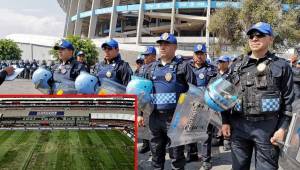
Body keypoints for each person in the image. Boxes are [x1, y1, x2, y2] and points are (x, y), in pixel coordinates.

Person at [221, 22, 294, 170]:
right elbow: (225, 95)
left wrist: (282, 129)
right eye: (251, 35)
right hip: (239, 126)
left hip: (268, 129)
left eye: (260, 35)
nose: (254, 39)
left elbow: (289, 101)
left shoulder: (281, 66)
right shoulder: (236, 65)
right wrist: (225, 121)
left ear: (270, 39)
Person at [138, 33, 196, 169]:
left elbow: (193, 93)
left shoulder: (183, 66)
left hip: (175, 118)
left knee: (176, 157)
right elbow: (143, 93)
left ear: (174, 47)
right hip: (154, 118)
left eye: (166, 44)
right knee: (156, 156)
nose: (162, 47)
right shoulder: (151, 68)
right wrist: (140, 114)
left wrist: (188, 116)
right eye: (160, 44)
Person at [186, 44, 217, 169]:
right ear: (193, 55)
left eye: (201, 54)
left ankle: (206, 160)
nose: (199, 56)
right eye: (197, 54)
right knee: (189, 131)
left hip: (205, 106)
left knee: (206, 134)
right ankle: (192, 154)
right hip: (189, 105)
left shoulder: (212, 69)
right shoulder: (187, 67)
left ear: (205, 55)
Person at [137, 46, 157, 154]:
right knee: (143, 122)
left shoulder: (156, 66)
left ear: (154, 56)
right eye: (144, 55)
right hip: (143, 98)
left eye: (147, 55)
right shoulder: (142, 68)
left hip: (153, 98)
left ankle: (155, 146)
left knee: (153, 124)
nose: (145, 57)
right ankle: (146, 144)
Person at [216, 56, 232, 151]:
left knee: (226, 121)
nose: (221, 63)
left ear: (228, 63)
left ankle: (227, 140)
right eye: (220, 62)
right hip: (216, 102)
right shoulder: (215, 75)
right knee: (217, 122)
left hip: (227, 102)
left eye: (223, 62)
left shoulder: (232, 75)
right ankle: (219, 138)